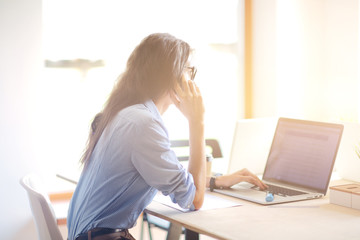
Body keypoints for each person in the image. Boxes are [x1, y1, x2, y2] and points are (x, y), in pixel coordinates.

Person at [67, 33, 267, 240]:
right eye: (189, 70)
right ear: (174, 76)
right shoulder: (143, 124)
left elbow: (170, 178)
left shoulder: (127, 114)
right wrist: (197, 122)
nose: (192, 78)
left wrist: (215, 181)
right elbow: (194, 199)